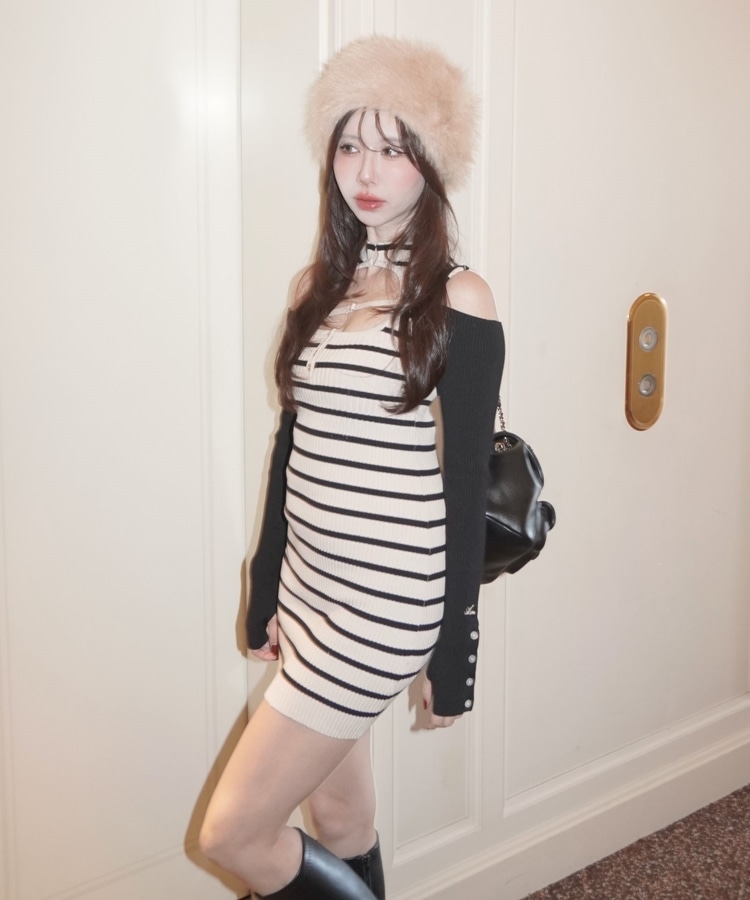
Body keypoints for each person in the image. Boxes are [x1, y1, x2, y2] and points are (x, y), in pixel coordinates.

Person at [199, 35, 504, 899]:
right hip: (309, 584)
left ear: (432, 163)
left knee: (232, 833)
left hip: (383, 602)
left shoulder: (460, 298)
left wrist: (455, 650)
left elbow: (465, 487)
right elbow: (291, 447)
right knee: (337, 819)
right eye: (349, 144)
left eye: (395, 148)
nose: (365, 171)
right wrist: (266, 583)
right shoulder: (318, 287)